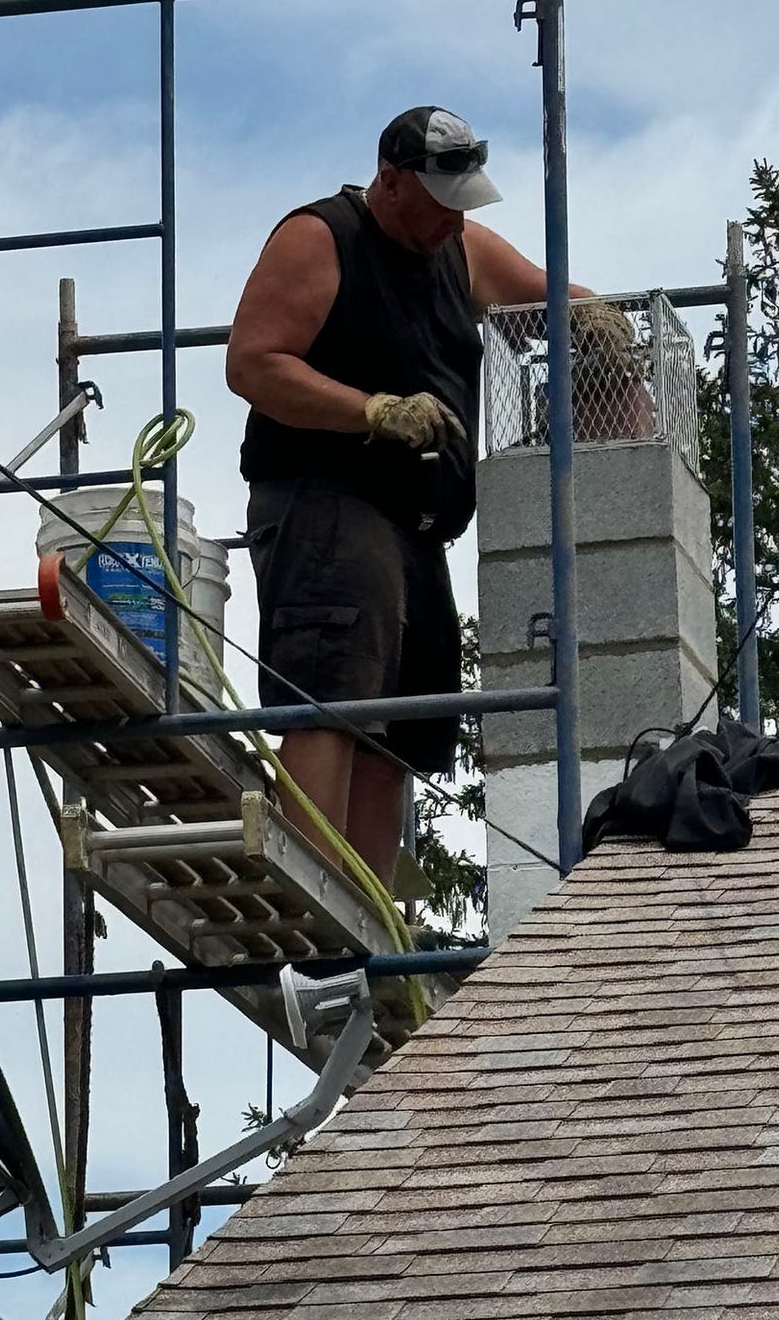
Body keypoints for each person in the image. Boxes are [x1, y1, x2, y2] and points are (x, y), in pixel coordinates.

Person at [226, 105, 621, 881]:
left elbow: (537, 294)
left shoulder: (458, 247)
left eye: (463, 205)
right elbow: (253, 364)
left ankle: (367, 919)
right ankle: (312, 897)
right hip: (328, 501)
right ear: (392, 181)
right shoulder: (321, 238)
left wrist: (596, 316)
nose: (454, 221)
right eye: (443, 203)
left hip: (416, 524)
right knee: (334, 697)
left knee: (401, 727)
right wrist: (370, 411)